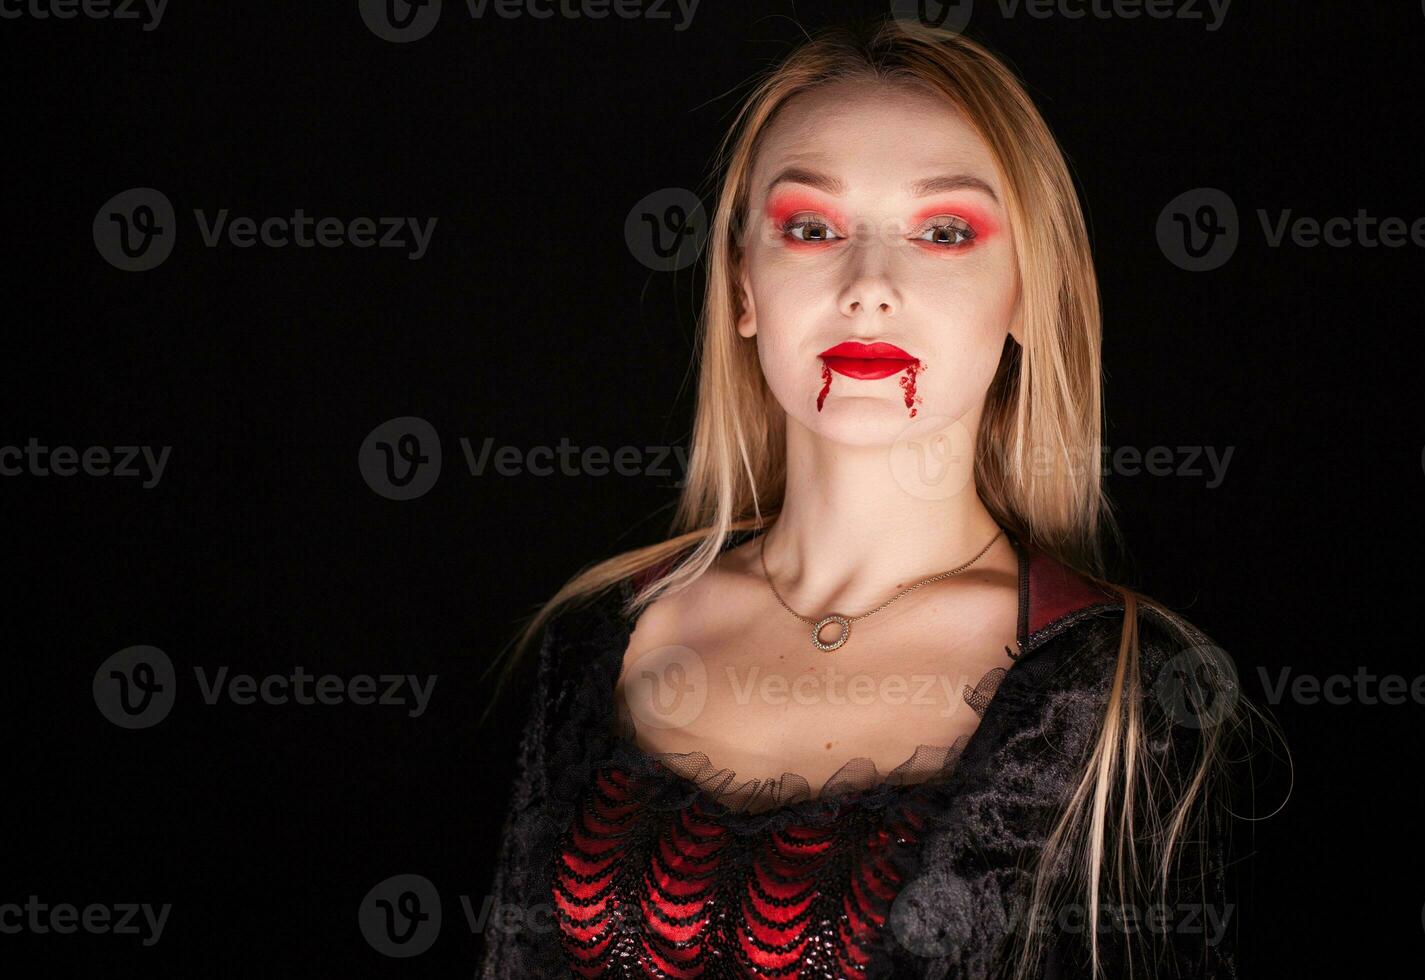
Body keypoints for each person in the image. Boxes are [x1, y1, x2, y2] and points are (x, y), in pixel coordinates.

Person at [477, 16, 1274, 979]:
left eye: (944, 232)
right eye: (811, 228)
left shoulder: (1123, 698)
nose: (869, 286)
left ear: (1026, 291)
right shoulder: (599, 635)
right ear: (742, 285)